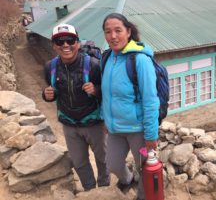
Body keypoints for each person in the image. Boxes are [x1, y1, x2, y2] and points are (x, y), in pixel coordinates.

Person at [42, 23, 110, 191]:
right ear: (54, 46)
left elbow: (108, 92)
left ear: (78, 43)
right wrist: (46, 95)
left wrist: (96, 90)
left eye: (70, 40)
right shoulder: (50, 67)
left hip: (94, 122)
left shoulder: (94, 65)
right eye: (60, 41)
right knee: (79, 161)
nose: (65, 45)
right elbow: (53, 91)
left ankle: (104, 189)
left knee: (103, 158)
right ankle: (89, 191)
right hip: (69, 124)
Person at [101, 13, 160, 200]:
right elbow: (107, 94)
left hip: (138, 131)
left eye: (118, 30)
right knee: (112, 164)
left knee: (144, 166)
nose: (113, 36)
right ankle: (127, 180)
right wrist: (105, 118)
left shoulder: (140, 60)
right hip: (115, 129)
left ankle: (142, 196)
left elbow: (150, 100)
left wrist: (151, 135)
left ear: (128, 32)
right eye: (108, 32)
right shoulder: (107, 58)